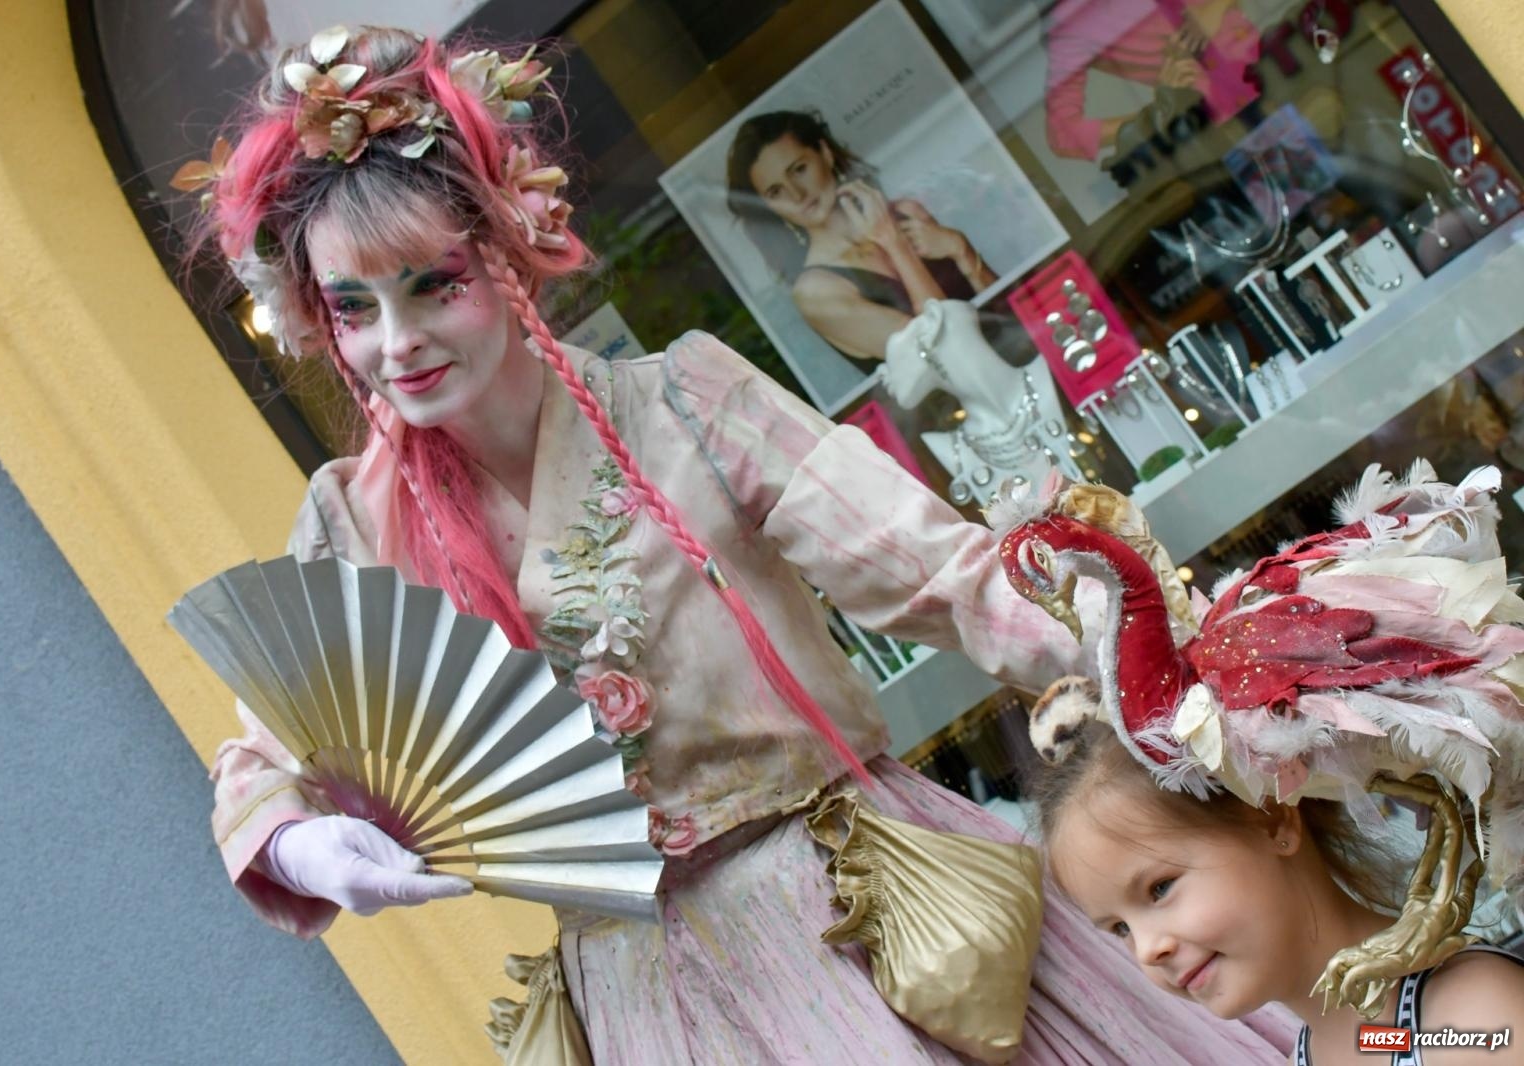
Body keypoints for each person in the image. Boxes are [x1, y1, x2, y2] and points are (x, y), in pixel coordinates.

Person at [190, 26, 1298, 1062]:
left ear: (510, 253)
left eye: (435, 283)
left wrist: (1187, 670)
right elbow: (269, 759)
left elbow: (943, 577)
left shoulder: (684, 402)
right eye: (354, 308)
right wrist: (297, 842)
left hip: (865, 909)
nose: (400, 341)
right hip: (641, 994)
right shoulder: (351, 526)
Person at [1038, 723, 1524, 1065]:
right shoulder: (1334, 1048)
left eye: (1160, 888)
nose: (1148, 949)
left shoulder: (1471, 1022)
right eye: (1120, 928)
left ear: (1273, 820)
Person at [726, 110, 996, 367]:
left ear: (825, 153)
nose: (796, 194)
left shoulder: (906, 213)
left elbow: (1006, 308)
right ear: (770, 209)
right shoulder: (816, 292)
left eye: (798, 169)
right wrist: (895, 245)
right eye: (775, 192)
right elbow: (946, 354)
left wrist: (962, 249)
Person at [1044, 0, 1261, 163]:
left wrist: (1214, 8)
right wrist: (1160, 114)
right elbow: (1063, 134)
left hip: (1274, 64)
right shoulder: (1070, 27)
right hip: (1219, 126)